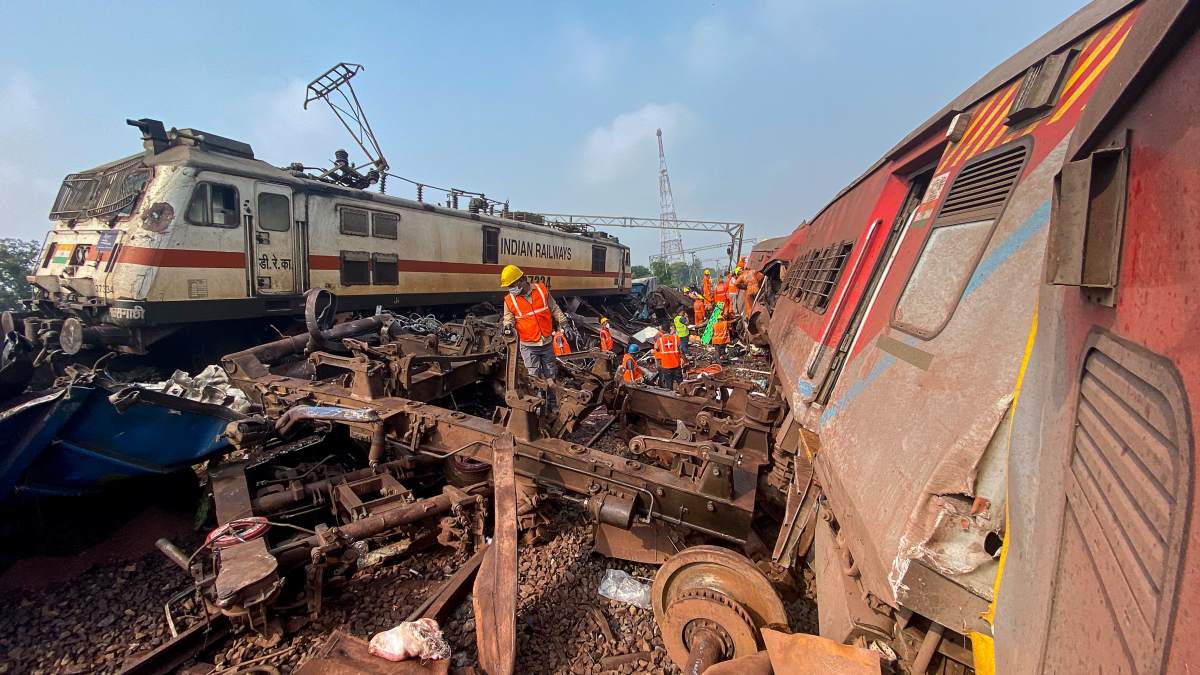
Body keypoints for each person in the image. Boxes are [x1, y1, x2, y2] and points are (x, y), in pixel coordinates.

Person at [500, 264, 569, 407]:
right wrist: (507, 326)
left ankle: (551, 405)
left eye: (512, 285)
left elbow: (554, 308)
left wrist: (564, 322)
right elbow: (508, 318)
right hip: (528, 345)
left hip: (546, 342)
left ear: (521, 280)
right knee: (534, 378)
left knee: (551, 375)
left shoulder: (541, 290)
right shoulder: (509, 300)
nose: (510, 289)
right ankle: (539, 405)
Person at [653, 325, 683, 390]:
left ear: (662, 331)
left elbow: (657, 352)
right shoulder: (676, 338)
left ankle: (670, 397)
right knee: (681, 383)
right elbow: (681, 350)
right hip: (676, 365)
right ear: (669, 330)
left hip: (666, 366)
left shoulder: (659, 341)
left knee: (669, 385)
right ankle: (684, 396)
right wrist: (684, 360)